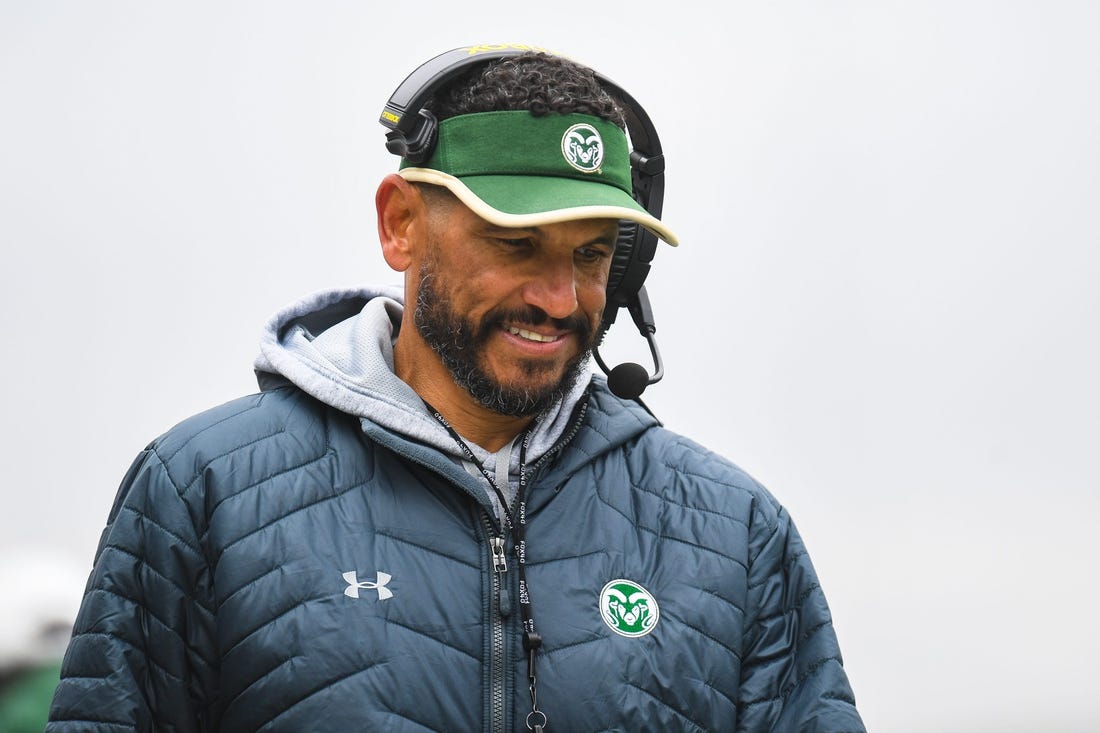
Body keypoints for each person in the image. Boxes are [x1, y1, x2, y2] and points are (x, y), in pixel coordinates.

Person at [48, 46, 865, 732]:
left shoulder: (736, 532)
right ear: (401, 222)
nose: (558, 298)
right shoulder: (202, 491)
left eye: (591, 256)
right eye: (517, 243)